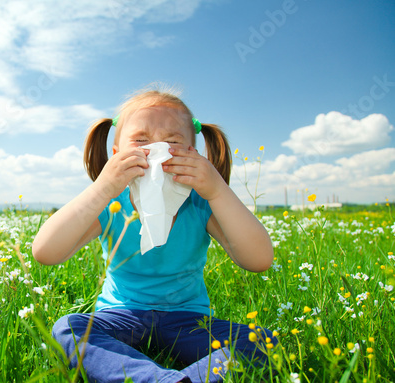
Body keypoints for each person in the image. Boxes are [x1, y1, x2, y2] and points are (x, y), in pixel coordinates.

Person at [32, 86, 276, 383]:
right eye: (141, 141)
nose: (157, 151)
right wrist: (103, 187)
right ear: (117, 153)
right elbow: (45, 251)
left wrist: (217, 189)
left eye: (172, 142)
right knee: (68, 329)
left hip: (189, 320)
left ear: (192, 153)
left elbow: (259, 259)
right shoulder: (112, 203)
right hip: (122, 315)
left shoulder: (201, 202)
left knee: (261, 340)